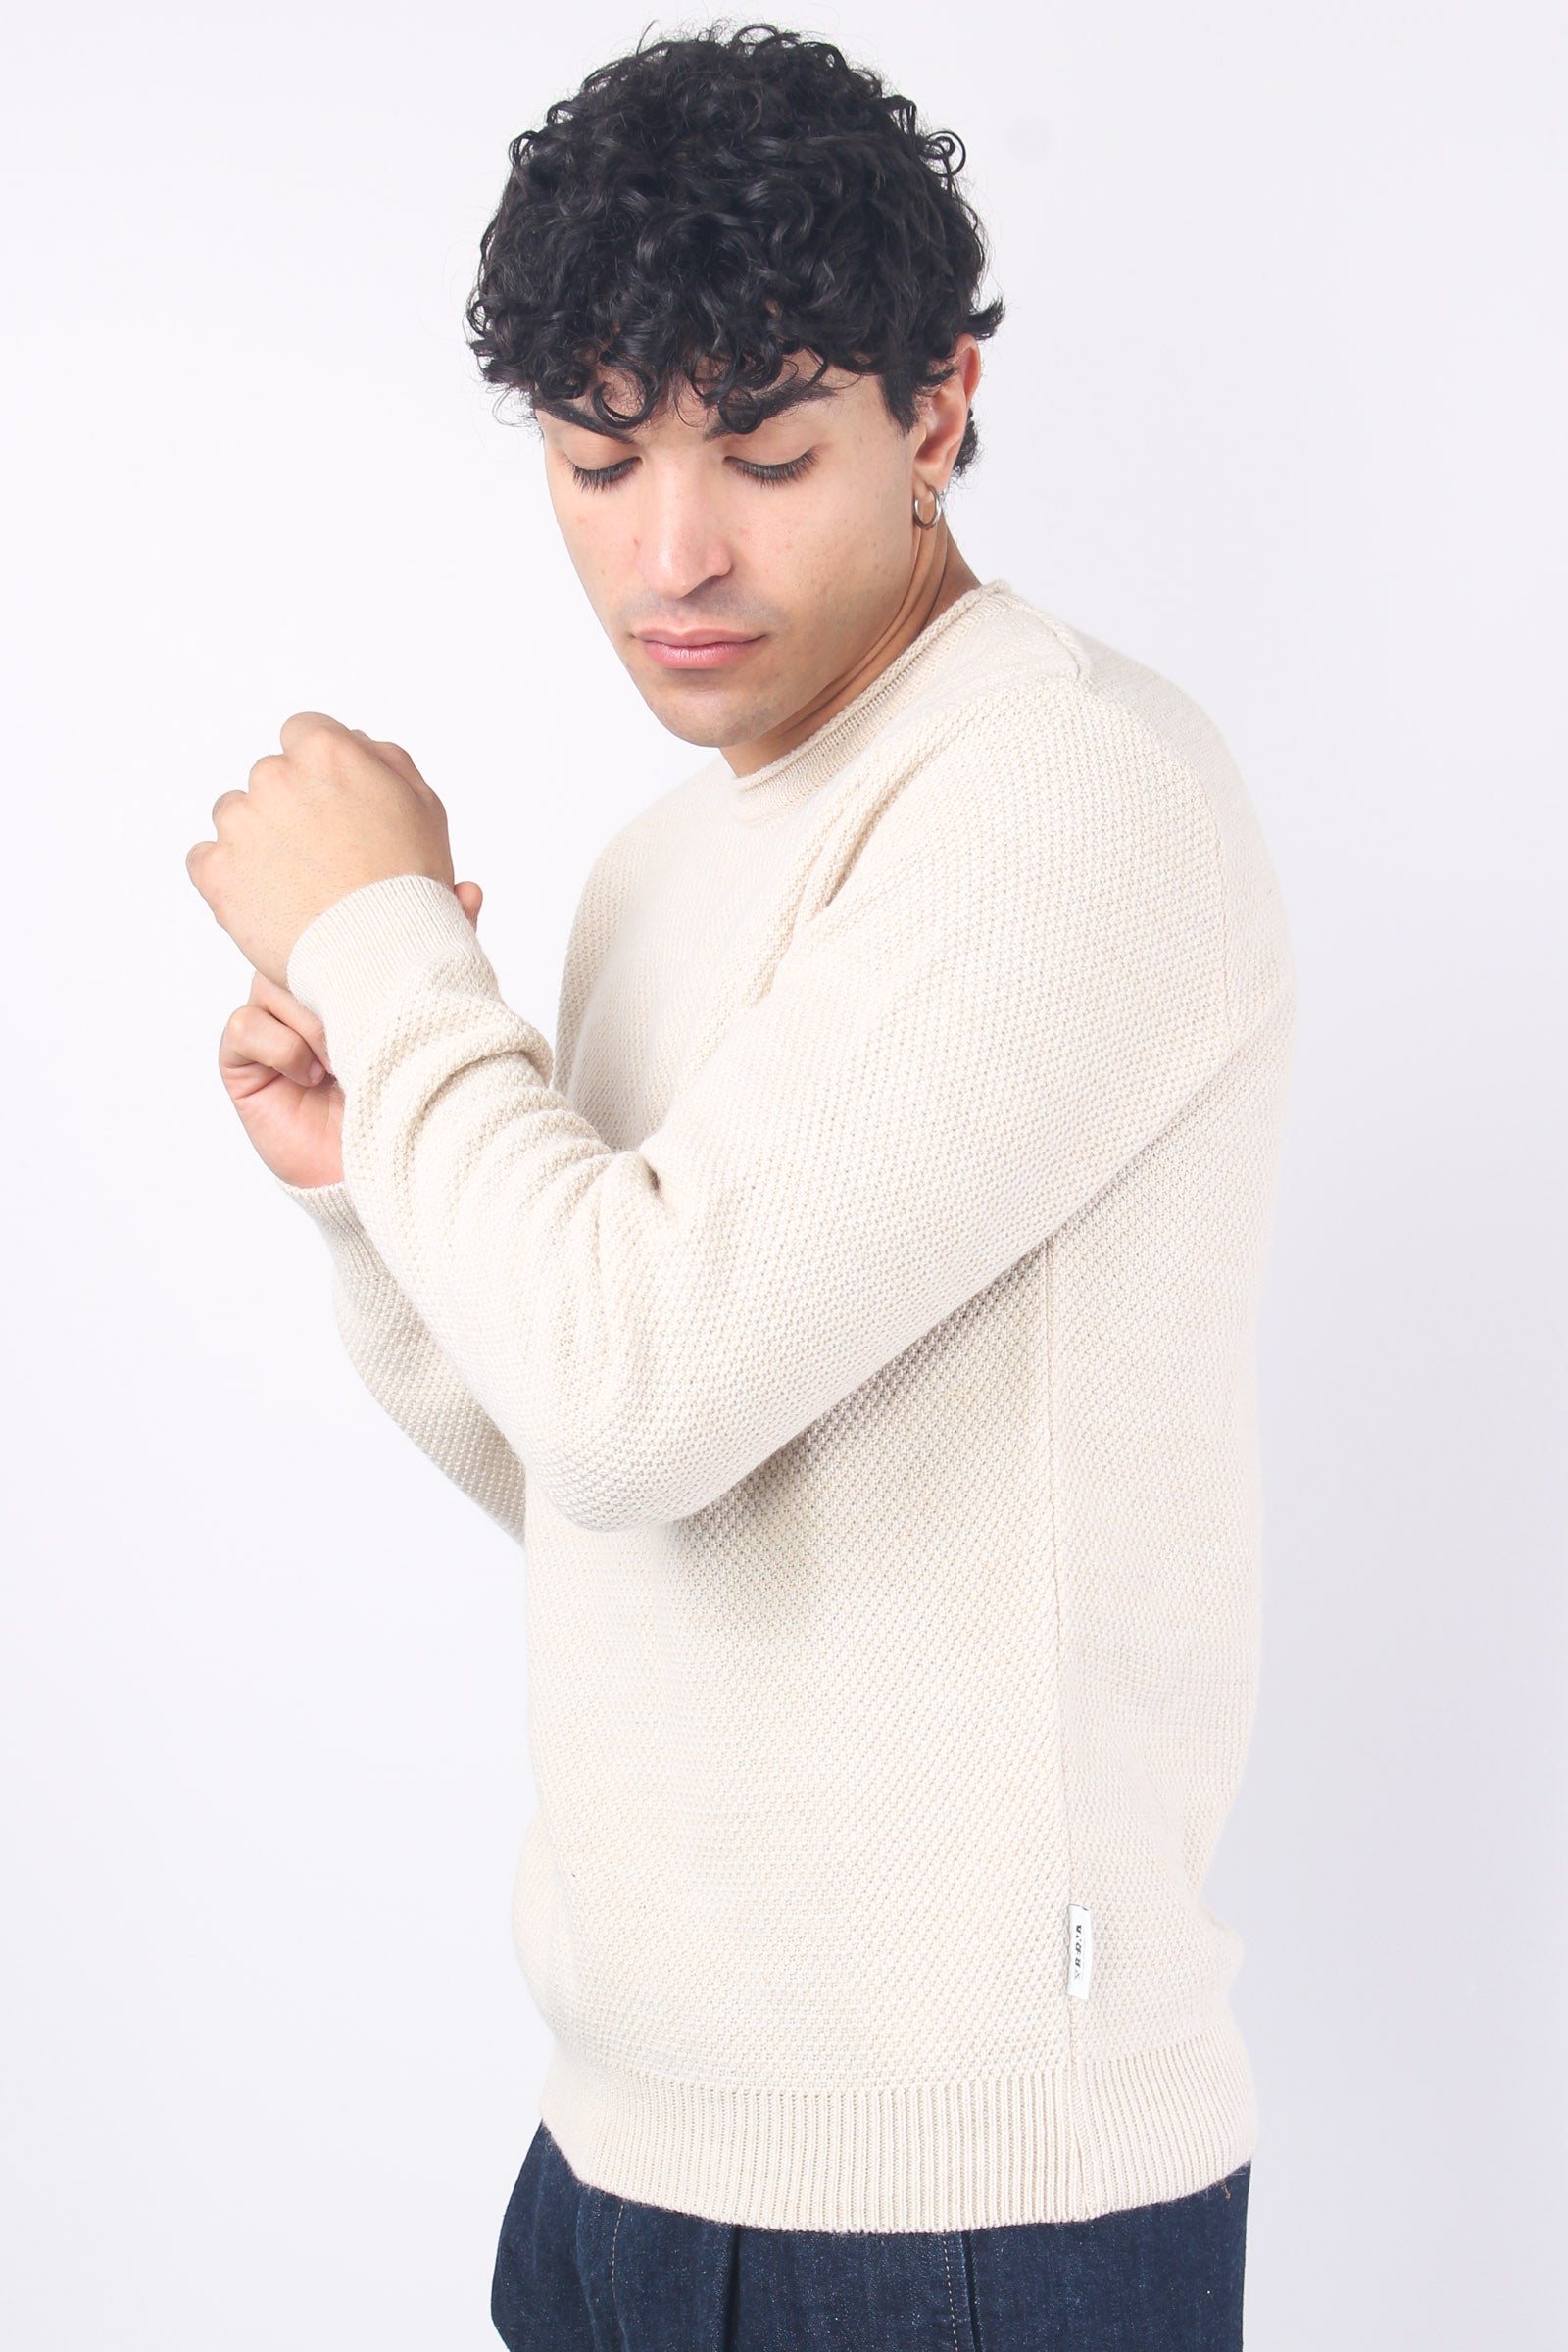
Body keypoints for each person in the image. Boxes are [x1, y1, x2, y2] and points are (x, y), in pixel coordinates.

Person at [186, 24, 1295, 2349]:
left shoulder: (1059, 795)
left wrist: (384, 947)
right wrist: (376, 1191)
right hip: (622, 2155)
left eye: (767, 453)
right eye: (600, 458)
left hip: (958, 2214)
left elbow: (636, 1388)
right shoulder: (659, 867)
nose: (670, 551)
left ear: (938, 411)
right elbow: (604, 1473)